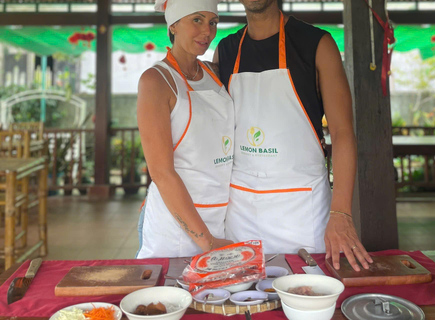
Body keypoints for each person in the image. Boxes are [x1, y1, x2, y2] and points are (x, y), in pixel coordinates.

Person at [213, 0, 373, 271]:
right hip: (241, 212)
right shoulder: (225, 50)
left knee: (308, 298)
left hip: (302, 211)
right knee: (244, 303)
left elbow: (343, 133)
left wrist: (341, 212)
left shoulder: (317, 44)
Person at [136, 0, 234, 258]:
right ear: (174, 25)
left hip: (220, 216)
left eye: (213, 22)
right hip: (175, 227)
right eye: (197, 20)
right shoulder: (156, 80)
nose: (207, 32)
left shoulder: (214, 74)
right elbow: (162, 172)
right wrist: (207, 242)